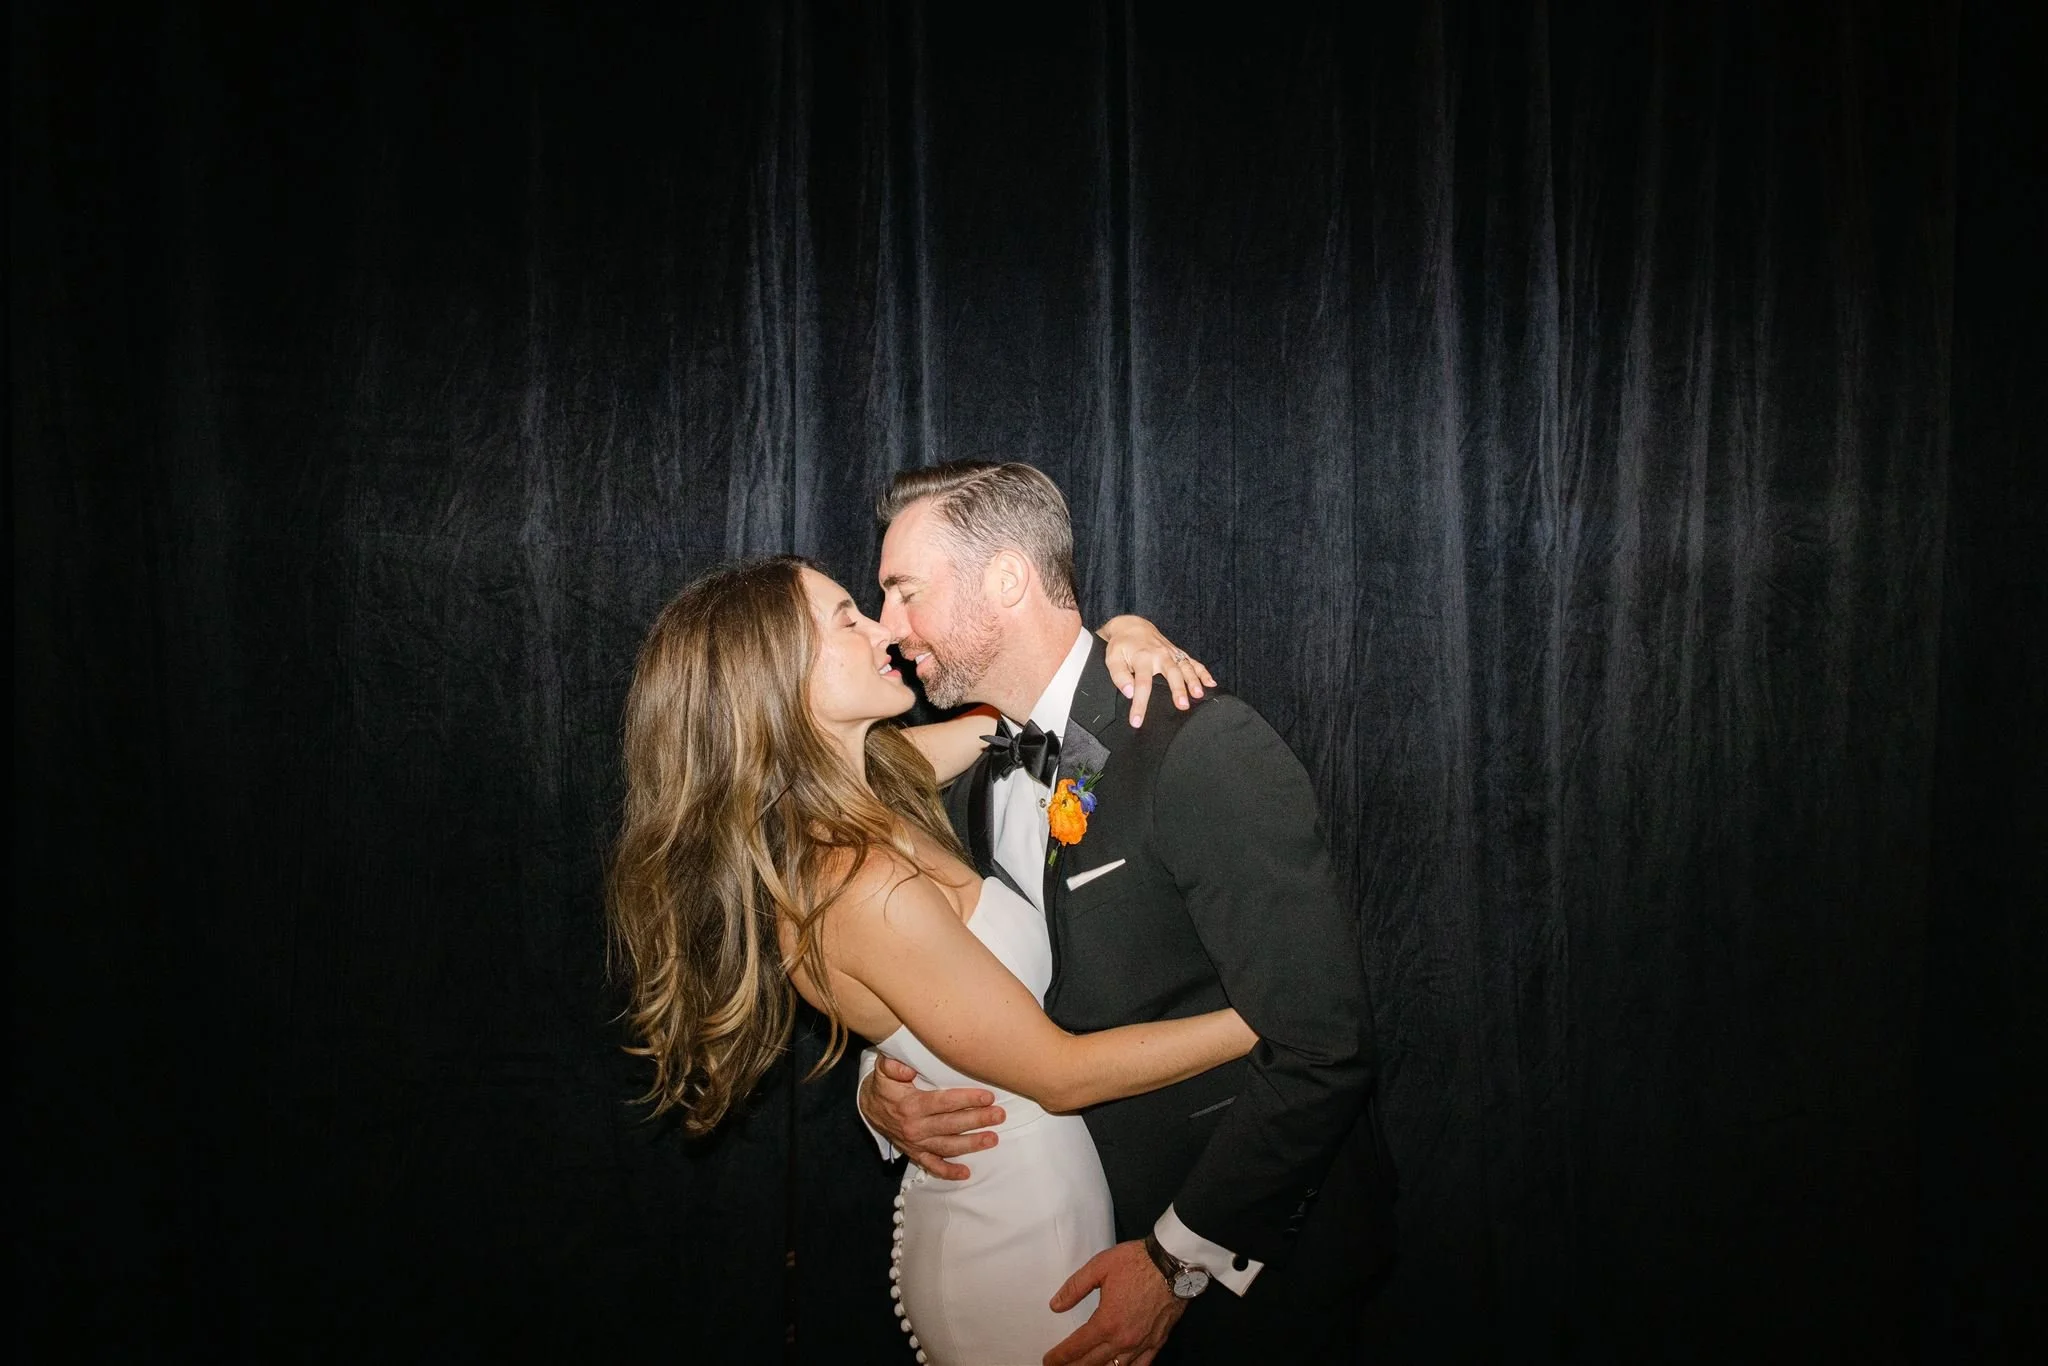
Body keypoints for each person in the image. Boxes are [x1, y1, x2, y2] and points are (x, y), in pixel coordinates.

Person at [606, 553, 1246, 1365]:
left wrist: (1123, 634)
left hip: (1036, 1212)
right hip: (1018, 1256)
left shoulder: (877, 781)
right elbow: (1060, 1074)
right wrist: (1268, 1022)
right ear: (780, 678)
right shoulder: (857, 883)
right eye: (848, 618)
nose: (885, 629)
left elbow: (1022, 718)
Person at [862, 462, 1397, 1365]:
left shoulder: (1201, 747)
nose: (888, 628)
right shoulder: (969, 779)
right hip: (1057, 1251)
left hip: (1245, 1275)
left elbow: (1325, 1046)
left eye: (904, 591)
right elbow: (939, 980)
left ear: (1007, 580)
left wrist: (1175, 1263)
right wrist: (885, 1094)